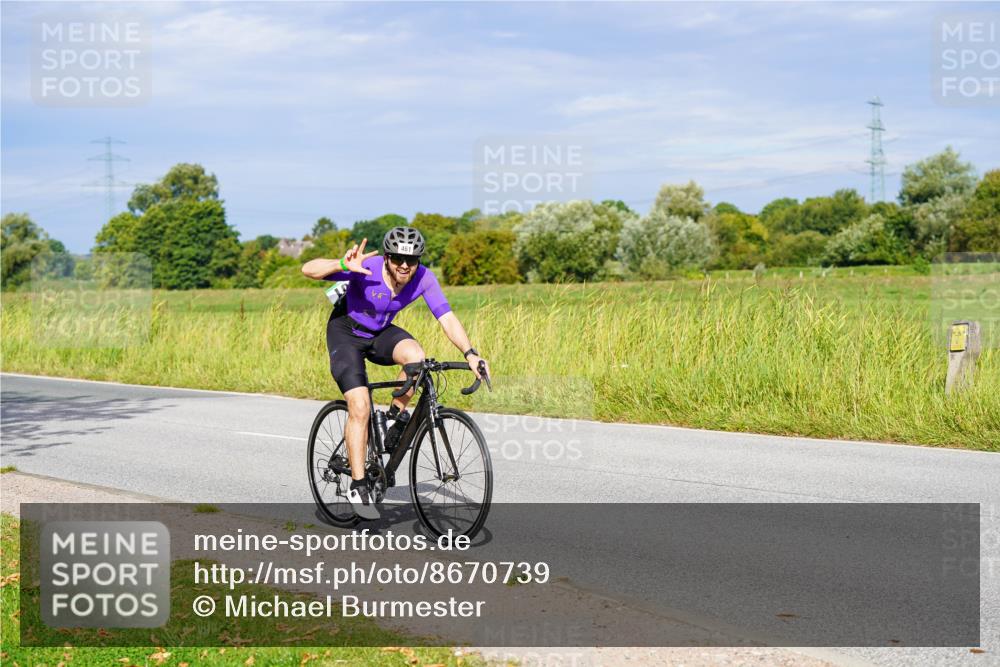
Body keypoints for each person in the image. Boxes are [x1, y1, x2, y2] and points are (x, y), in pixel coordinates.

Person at [301, 226, 489, 519]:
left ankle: (394, 420)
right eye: (398, 259)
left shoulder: (424, 278)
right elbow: (308, 269)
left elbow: (447, 317)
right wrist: (341, 264)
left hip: (379, 333)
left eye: (411, 260)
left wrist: (470, 353)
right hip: (346, 334)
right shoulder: (367, 268)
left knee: (417, 357)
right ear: (387, 257)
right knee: (360, 407)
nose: (405, 265)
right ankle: (359, 485)